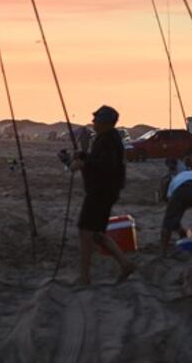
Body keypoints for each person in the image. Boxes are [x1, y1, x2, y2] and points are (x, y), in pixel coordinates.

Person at [70, 105, 135, 285]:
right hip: (105, 191)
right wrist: (83, 155)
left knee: (85, 231)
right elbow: (99, 160)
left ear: (105, 123)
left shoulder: (108, 139)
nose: (93, 122)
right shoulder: (106, 138)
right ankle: (125, 264)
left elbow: (106, 167)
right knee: (97, 233)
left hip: (101, 192)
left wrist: (82, 164)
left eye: (96, 119)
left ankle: (84, 278)